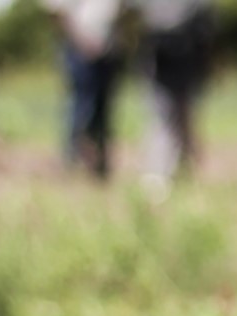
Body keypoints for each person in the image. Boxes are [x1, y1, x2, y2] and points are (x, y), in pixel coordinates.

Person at [43, 0, 129, 179]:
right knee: (81, 108)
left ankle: (99, 163)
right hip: (80, 51)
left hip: (109, 51)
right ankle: (74, 161)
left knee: (103, 110)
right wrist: (83, 41)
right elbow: (58, 13)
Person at [137, 0, 213, 196]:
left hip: (185, 55)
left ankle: (182, 171)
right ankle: (160, 175)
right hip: (163, 58)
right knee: (165, 119)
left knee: (179, 118)